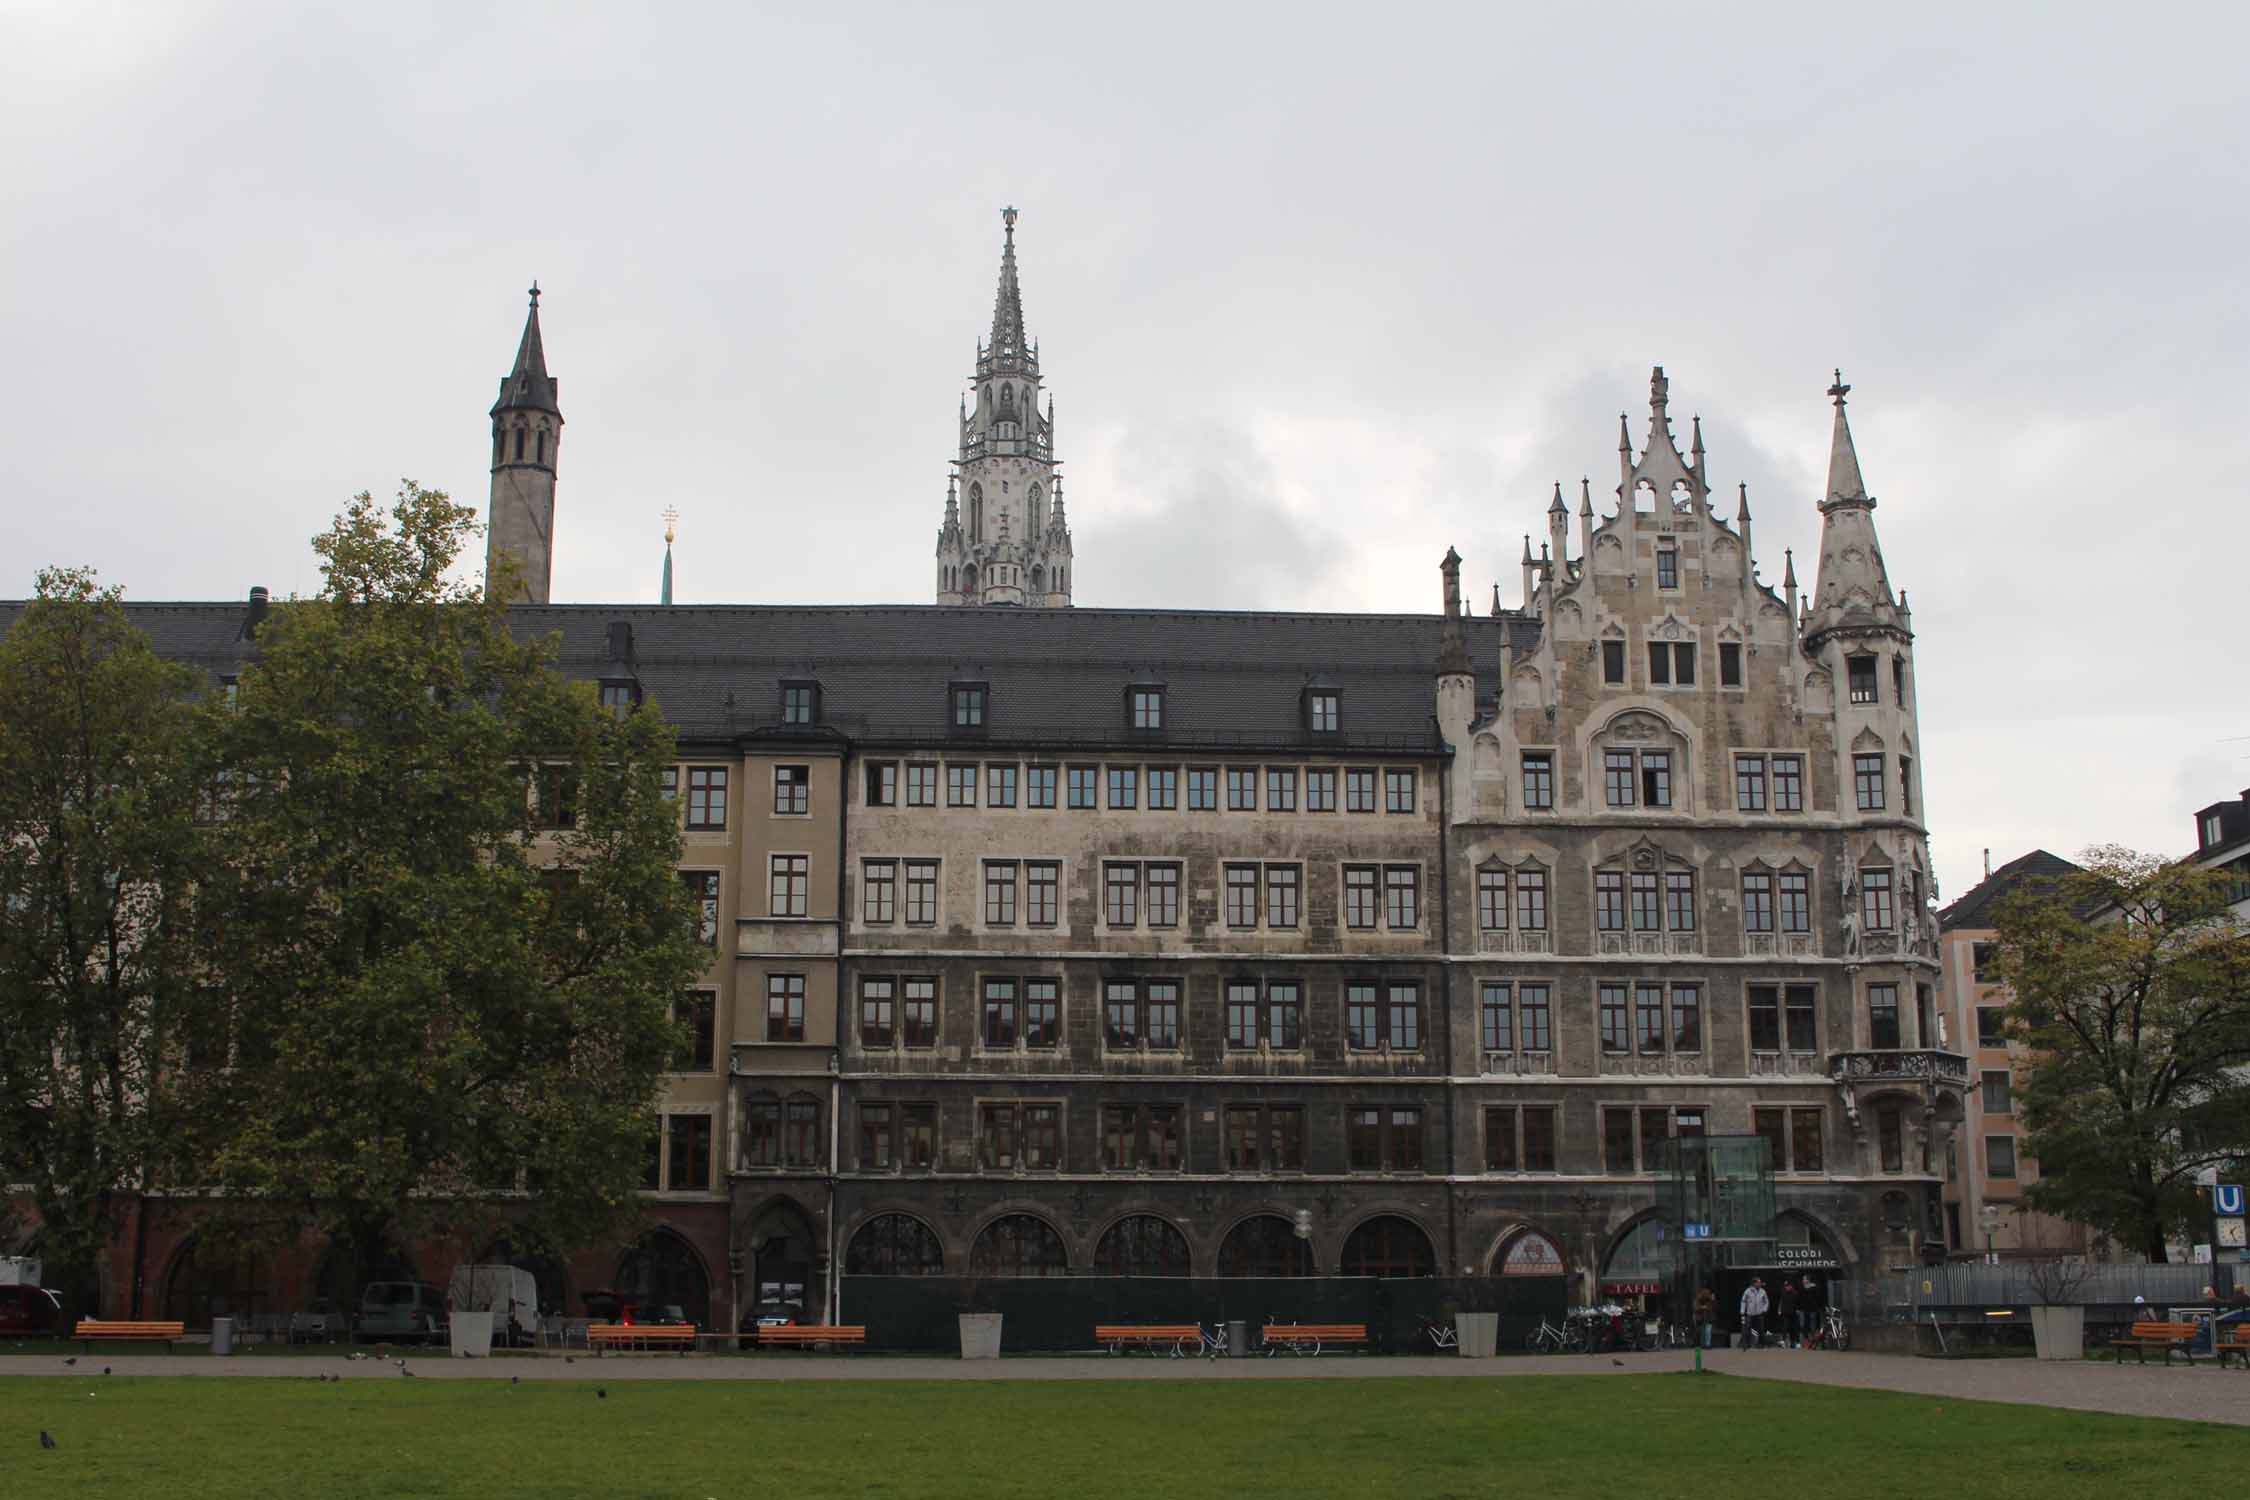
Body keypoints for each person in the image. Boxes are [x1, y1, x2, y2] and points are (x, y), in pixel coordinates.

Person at [1739, 1277, 1770, 1348]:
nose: (1760, 1283)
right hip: (1750, 1313)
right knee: (1747, 1328)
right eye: (1758, 1282)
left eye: (1760, 1282)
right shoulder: (1748, 1291)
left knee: (1761, 1329)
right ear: (1754, 1283)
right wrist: (1742, 1311)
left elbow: (1766, 1302)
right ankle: (1747, 1344)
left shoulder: (1763, 1291)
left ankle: (1761, 1344)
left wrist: (1764, 1310)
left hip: (1759, 1313)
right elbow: (1743, 1301)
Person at [1775, 1280, 1800, 1348]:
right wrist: (1779, 1310)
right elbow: (1781, 1301)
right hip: (1785, 1312)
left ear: (1791, 1286)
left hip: (1793, 1313)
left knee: (1793, 1328)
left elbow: (1798, 1303)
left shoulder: (1795, 1293)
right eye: (1785, 1286)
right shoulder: (1783, 1292)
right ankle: (1783, 1341)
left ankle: (1795, 1342)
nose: (1786, 1287)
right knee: (1785, 1327)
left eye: (1787, 1286)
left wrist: (1797, 1310)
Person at [1694, 1285, 1717, 1350]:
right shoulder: (1699, 1299)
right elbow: (1696, 1307)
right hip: (1701, 1318)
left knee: (1707, 1331)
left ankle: (1707, 1344)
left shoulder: (1710, 1300)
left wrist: (1712, 1301)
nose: (1706, 1294)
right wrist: (1703, 1307)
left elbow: (1713, 1307)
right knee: (1703, 1331)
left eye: (1707, 1293)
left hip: (1708, 1317)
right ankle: (1703, 1344)